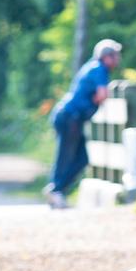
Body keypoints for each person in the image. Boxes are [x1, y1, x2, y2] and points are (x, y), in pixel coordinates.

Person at [44, 39, 122, 209]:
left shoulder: (92, 66)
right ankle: (56, 190)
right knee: (66, 155)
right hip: (71, 116)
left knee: (81, 158)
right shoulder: (100, 68)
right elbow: (102, 94)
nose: (118, 60)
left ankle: (57, 189)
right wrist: (97, 99)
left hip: (69, 116)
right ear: (107, 57)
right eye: (116, 56)